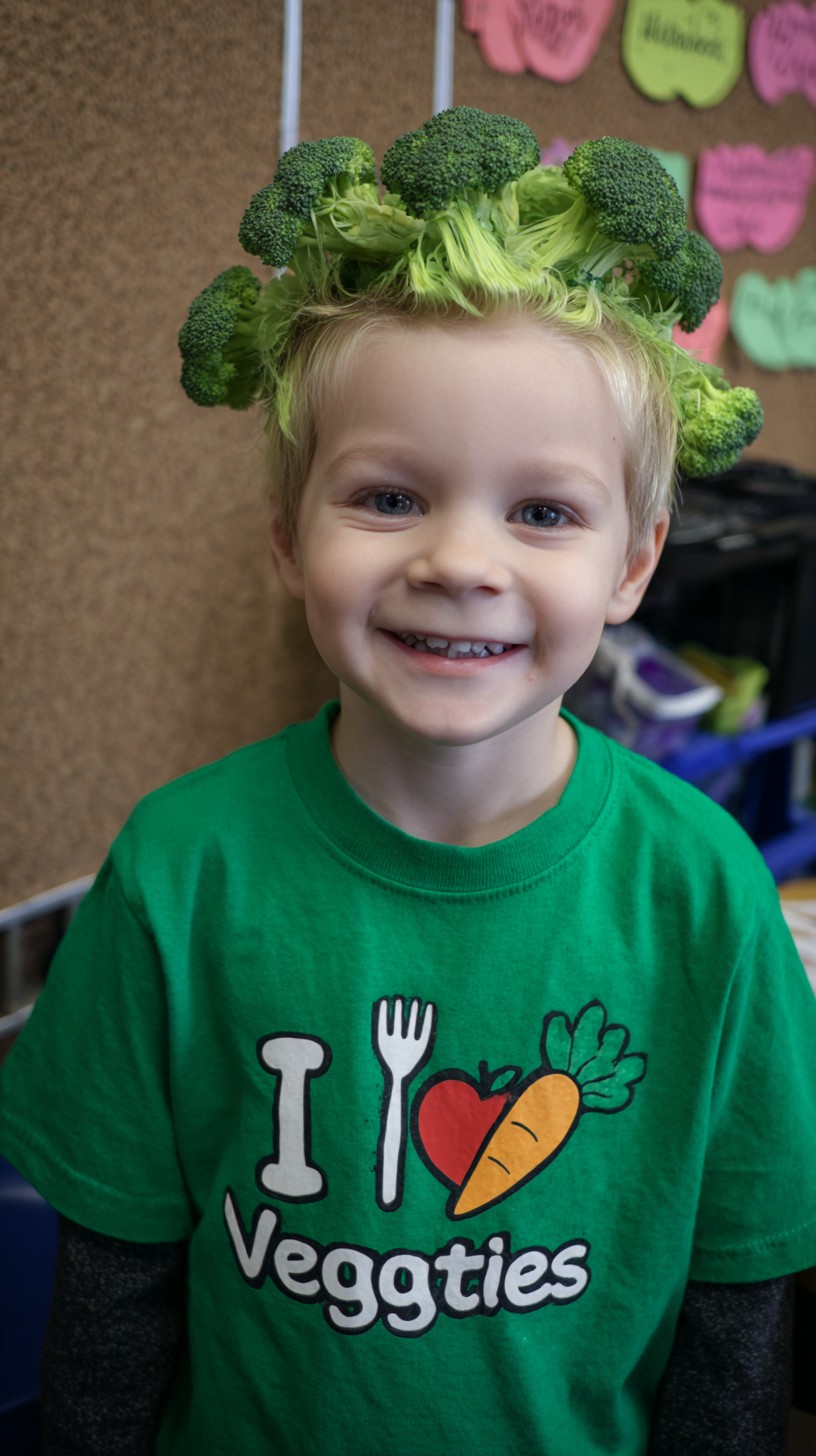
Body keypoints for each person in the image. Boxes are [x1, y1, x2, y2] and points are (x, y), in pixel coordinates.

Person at [1, 108, 814, 1456]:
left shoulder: (706, 897)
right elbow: (112, 1295)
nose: (460, 560)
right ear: (287, 536)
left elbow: (740, 1305)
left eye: (542, 511)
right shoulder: (177, 872)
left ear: (634, 562)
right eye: (388, 497)